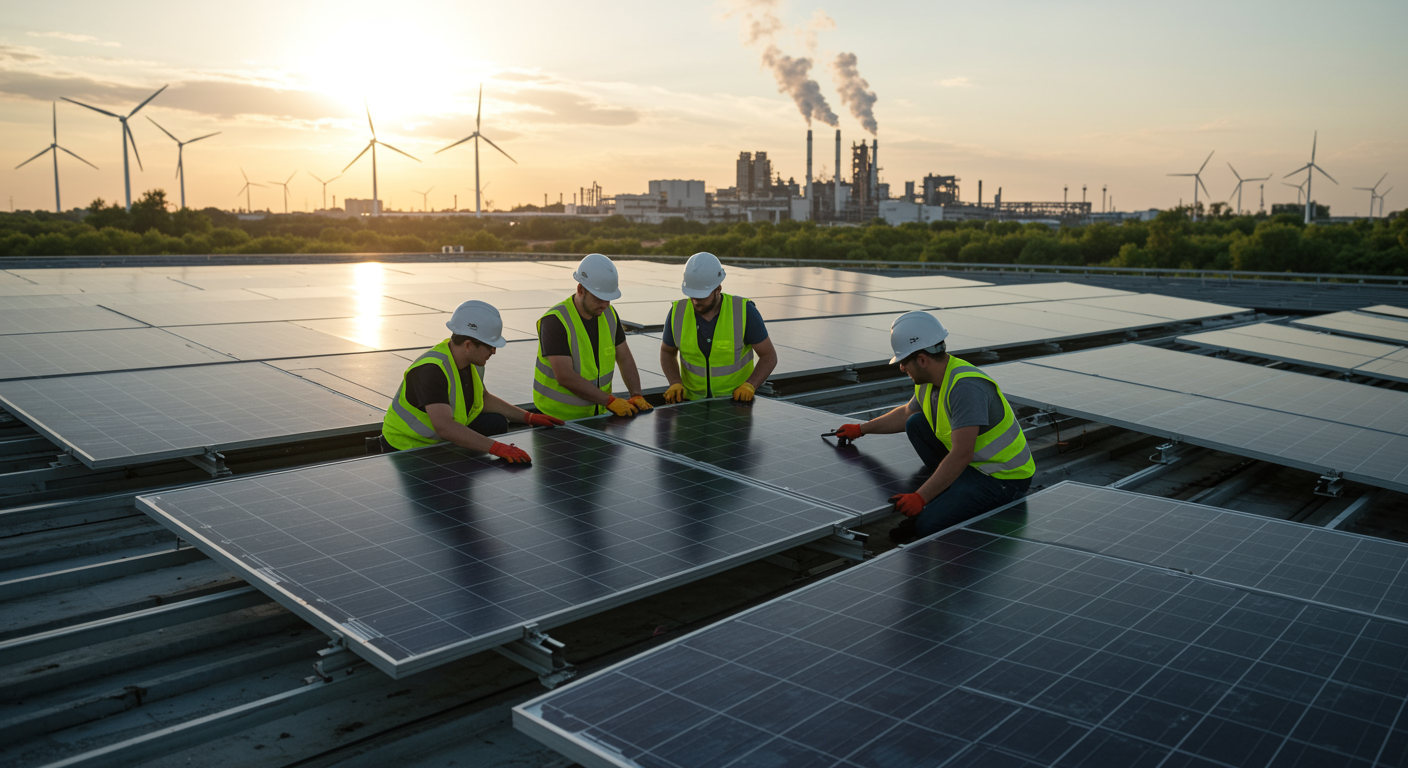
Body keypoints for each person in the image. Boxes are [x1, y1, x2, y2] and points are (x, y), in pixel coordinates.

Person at [833, 311, 1035, 542]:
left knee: (929, 526)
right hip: (974, 465)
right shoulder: (932, 380)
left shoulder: (966, 387)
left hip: (1002, 477)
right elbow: (905, 413)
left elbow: (961, 454)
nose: (901, 368)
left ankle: (953, 500)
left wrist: (921, 497)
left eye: (903, 361)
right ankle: (954, 489)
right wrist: (861, 429)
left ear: (922, 359)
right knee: (916, 422)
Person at [380, 300, 563, 463]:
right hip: (409, 448)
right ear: (468, 345)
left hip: (437, 438)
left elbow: (483, 398)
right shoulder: (431, 371)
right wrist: (496, 448)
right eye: (490, 346)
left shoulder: (470, 361)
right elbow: (445, 427)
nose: (493, 351)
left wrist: (528, 417)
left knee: (496, 422)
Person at [532, 253, 653, 420]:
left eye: (608, 299)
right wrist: (609, 401)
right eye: (599, 298)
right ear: (581, 290)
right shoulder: (555, 320)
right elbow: (565, 376)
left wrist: (636, 394)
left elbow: (624, 357)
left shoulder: (609, 314)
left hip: (597, 416)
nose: (605, 304)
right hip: (557, 419)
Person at [659, 252, 778, 403]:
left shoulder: (743, 311)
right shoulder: (678, 312)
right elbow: (667, 352)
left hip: (735, 403)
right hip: (692, 404)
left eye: (702, 297)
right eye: (692, 296)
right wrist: (675, 382)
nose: (695, 302)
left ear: (718, 289)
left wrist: (750, 385)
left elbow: (769, 356)